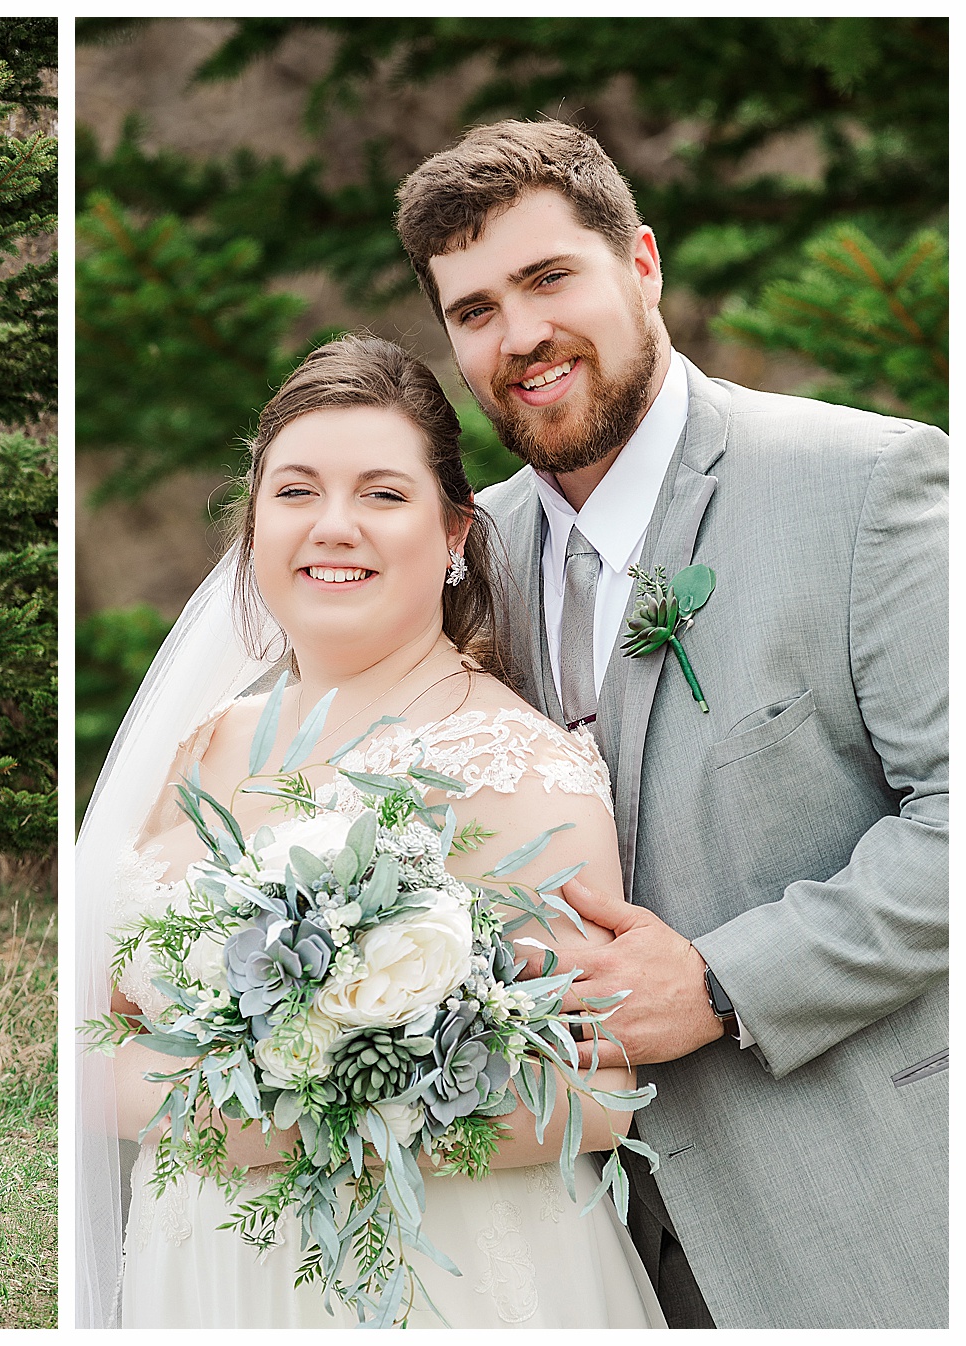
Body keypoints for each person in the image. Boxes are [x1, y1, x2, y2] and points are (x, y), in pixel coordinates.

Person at [394, 118, 946, 1329]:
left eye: (549, 278)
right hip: (566, 1239)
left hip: (852, 1210)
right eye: (474, 310)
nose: (520, 335)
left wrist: (721, 979)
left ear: (641, 262)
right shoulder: (457, 554)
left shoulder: (867, 485)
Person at [77, 334, 666, 1328]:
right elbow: (103, 1028)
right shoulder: (205, 744)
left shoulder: (510, 762)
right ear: (254, 521)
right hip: (199, 1273)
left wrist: (288, 1108)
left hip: (436, 1281)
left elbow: (598, 1090)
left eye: (384, 494)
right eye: (296, 491)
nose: (333, 526)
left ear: (453, 534)